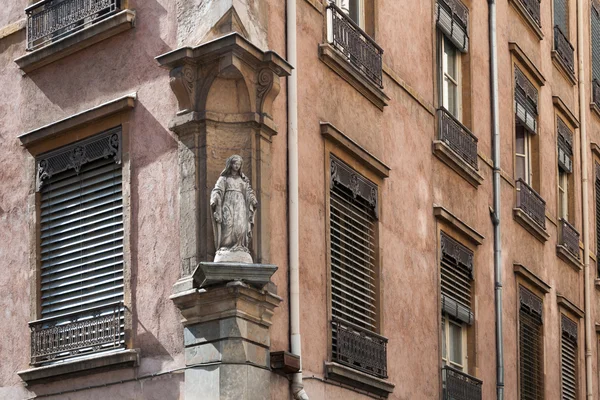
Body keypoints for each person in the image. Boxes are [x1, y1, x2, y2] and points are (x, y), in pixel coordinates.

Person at [210, 155, 258, 263]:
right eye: (235, 163)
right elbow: (217, 190)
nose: (236, 166)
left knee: (240, 224)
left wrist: (253, 199)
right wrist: (215, 199)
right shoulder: (224, 178)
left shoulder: (243, 180)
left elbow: (249, 192)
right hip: (227, 203)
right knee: (228, 224)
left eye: (239, 164)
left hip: (240, 204)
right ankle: (226, 246)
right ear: (230, 164)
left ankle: (239, 245)